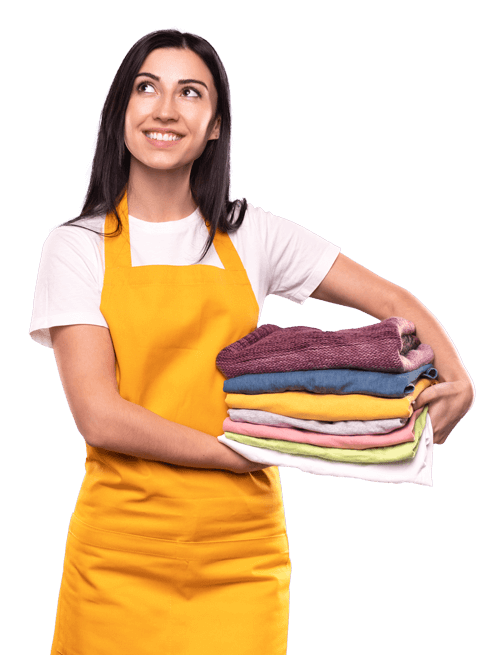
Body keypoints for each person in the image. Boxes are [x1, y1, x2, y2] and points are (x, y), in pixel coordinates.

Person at [29, 28, 474, 655]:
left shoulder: (251, 236)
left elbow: (393, 303)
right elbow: (100, 417)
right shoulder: (76, 246)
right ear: (120, 111)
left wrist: (460, 380)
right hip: (119, 555)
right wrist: (235, 454)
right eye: (146, 87)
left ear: (214, 125)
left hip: (242, 557)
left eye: (190, 93)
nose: (164, 109)